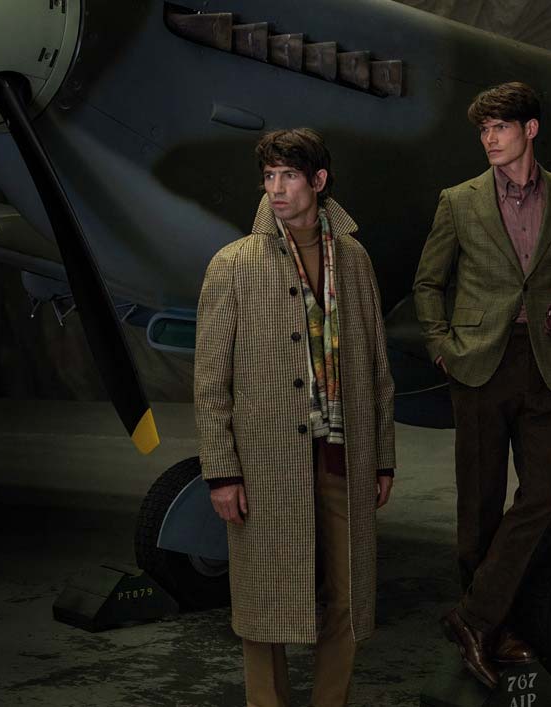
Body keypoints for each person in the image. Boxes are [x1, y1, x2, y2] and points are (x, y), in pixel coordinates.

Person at [413, 82, 551, 689]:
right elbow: (428, 283)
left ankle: (473, 619)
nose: (489, 139)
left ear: (530, 130)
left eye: (499, 128)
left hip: (547, 363)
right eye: (483, 130)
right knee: (478, 506)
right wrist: (442, 347)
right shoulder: (459, 201)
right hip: (478, 362)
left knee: (544, 497)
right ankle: (494, 628)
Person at [194, 128, 396, 707]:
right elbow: (210, 379)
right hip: (265, 460)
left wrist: (382, 457)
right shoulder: (234, 263)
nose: (276, 189)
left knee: (348, 597)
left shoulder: (353, 259)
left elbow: (377, 365)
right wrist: (221, 471)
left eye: (288, 176)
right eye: (269, 177)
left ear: (318, 181)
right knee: (264, 598)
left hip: (344, 453)